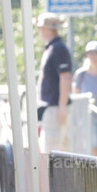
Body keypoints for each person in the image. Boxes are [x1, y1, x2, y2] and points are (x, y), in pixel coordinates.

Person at [37, 12, 72, 152]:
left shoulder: (58, 49)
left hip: (55, 108)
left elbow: (66, 77)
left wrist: (62, 107)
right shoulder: (53, 48)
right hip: (53, 107)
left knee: (51, 153)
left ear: (44, 28)